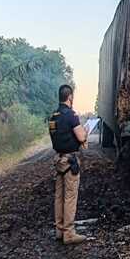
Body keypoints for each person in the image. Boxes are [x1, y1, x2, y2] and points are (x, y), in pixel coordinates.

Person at [48, 84, 88, 245]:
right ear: (70, 97)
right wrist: (85, 132)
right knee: (70, 197)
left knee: (59, 196)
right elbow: (80, 137)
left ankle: (59, 230)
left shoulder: (53, 117)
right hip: (70, 161)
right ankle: (69, 233)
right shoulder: (71, 115)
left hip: (58, 160)